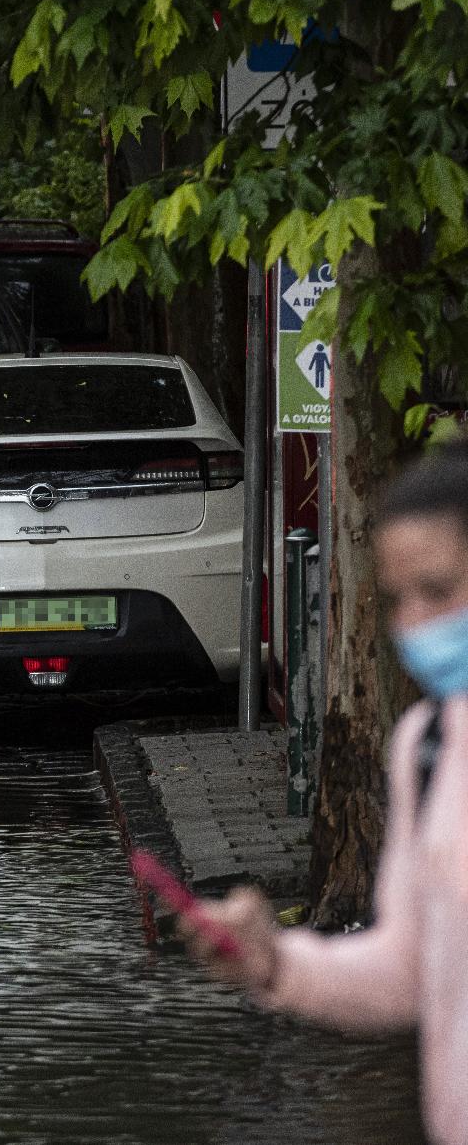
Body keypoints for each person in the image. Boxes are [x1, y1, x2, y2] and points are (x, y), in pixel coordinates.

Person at [179, 442, 468, 1144]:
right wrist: (276, 961)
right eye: (399, 601)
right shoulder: (428, 747)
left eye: (439, 591)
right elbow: (410, 969)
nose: (418, 627)